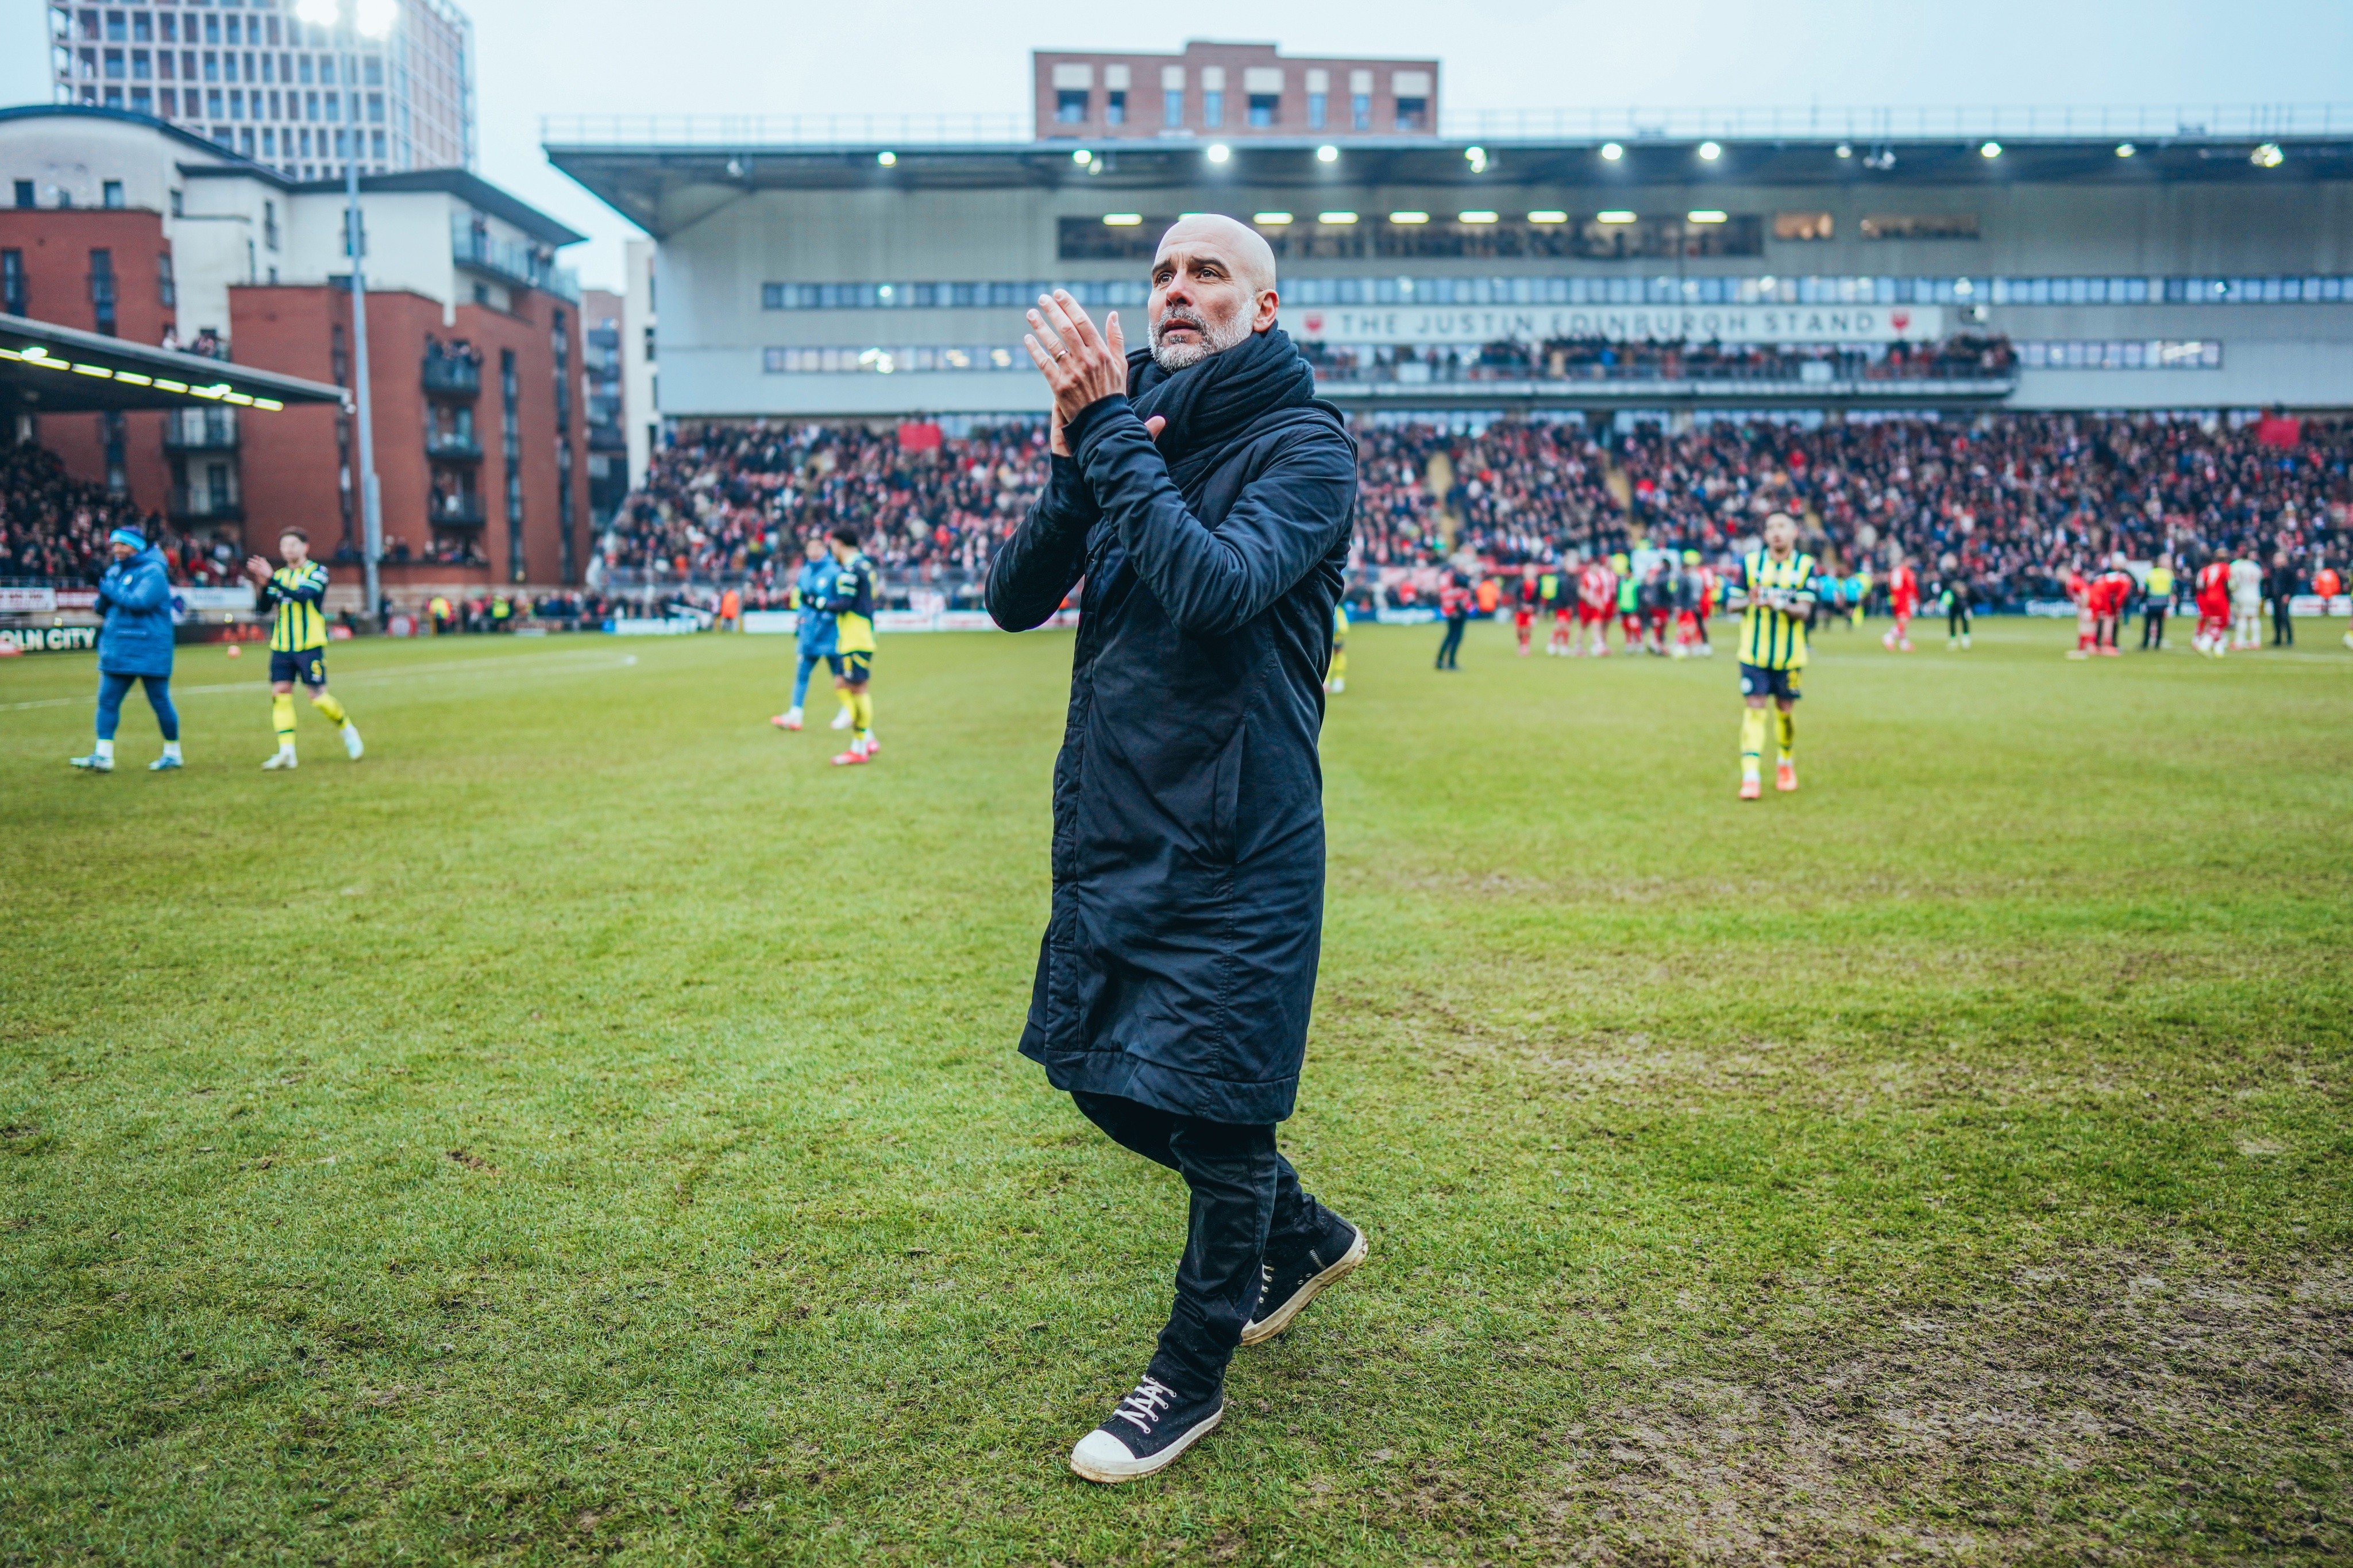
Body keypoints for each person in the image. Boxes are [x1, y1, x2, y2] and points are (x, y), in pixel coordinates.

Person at [989, 218, 1366, 1486]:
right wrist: (1069, 462)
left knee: (1219, 1110)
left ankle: (1188, 1372)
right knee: (1096, 1071)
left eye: (1206, 273)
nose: (1174, 292)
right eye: (1158, 274)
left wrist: (1105, 437)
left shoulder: (1306, 447)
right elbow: (1011, 599)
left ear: (1265, 310)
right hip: (1123, 822)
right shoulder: (1129, 430)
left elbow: (1213, 589)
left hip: (1241, 835)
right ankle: (1301, 1233)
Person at [245, 528, 362, 769]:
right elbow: (264, 608)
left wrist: (273, 579)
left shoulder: (318, 572)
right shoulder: (280, 575)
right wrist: (263, 584)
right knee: (280, 695)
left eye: (293, 545)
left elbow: (303, 596)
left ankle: (347, 729)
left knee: (317, 697)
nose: (288, 550)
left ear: (305, 547)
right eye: (284, 546)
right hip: (282, 645)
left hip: (310, 644)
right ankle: (287, 752)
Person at [70, 526, 182, 773]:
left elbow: (138, 602)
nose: (117, 550)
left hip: (149, 647)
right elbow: (102, 608)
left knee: (160, 701)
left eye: (123, 545)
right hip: (119, 647)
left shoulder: (154, 572)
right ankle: (103, 755)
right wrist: (100, 587)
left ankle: (173, 753)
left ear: (137, 546)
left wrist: (106, 584)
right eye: (114, 545)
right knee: (107, 701)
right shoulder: (115, 571)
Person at [1731, 511, 1815, 800]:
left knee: (1785, 714)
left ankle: (1785, 762)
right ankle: (1751, 775)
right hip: (1753, 654)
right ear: (1765, 535)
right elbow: (1731, 603)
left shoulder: (1805, 566)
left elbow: (1804, 611)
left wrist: (1778, 603)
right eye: (1771, 528)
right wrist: (1749, 600)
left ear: (1794, 532)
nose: (1776, 532)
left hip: (1789, 657)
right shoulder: (1750, 564)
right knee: (1754, 710)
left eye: (1782, 526)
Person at [772, 535, 845, 732]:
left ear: (824, 549)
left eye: (817, 548)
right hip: (809, 635)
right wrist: (800, 625)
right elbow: (802, 601)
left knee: (839, 675)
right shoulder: (804, 572)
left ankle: (849, 710)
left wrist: (824, 621)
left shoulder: (834, 572)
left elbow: (839, 604)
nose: (813, 552)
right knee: (802, 674)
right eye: (810, 548)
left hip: (829, 635)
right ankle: (796, 714)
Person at [821, 526, 880, 764]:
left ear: (837, 544)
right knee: (842, 684)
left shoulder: (850, 569)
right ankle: (866, 737)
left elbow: (844, 604)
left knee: (857, 690)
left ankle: (860, 746)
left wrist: (820, 602)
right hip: (857, 636)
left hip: (856, 637)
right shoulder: (865, 565)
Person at [2093, 553, 2135, 656]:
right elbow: (2120, 597)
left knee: (2109, 620)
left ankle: (2107, 644)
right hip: (2104, 597)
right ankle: (2105, 645)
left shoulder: (2124, 576)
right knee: (2107, 619)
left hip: (2103, 596)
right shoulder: (2125, 580)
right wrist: (2116, 608)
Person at [2193, 550, 2233, 656]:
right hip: (2220, 598)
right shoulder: (2225, 568)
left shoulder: (2206, 570)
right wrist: (2229, 597)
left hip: (2207, 597)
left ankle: (2217, 646)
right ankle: (2205, 643)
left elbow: (2200, 586)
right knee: (2222, 623)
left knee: (2210, 620)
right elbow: (2228, 584)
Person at [1575, 553, 1616, 656]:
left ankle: (1598, 646)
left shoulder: (1598, 577)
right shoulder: (1586, 577)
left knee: (1596, 624)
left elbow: (1600, 591)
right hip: (1586, 605)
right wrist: (1591, 600)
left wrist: (1599, 602)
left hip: (1595, 605)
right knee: (1584, 626)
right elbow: (1582, 591)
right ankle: (1578, 645)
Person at [2227, 544, 2264, 651]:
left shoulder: (2237, 567)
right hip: (2255, 595)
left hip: (2242, 595)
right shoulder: (2255, 567)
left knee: (2242, 618)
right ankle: (2256, 641)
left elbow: (2233, 583)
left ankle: (2239, 642)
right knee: (2254, 617)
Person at [1881, 553, 1919, 651]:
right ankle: (1889, 637)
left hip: (1895, 598)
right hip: (1903, 598)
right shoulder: (1906, 572)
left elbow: (1891, 585)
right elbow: (1912, 587)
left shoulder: (1895, 571)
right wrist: (1916, 598)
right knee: (1905, 620)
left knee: (1901, 621)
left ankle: (1904, 644)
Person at [1938, 557, 1975, 650]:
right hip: (1952, 603)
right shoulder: (1946, 576)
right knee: (1952, 621)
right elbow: (1943, 590)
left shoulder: (1962, 573)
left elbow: (1968, 586)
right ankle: (1953, 640)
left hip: (1962, 602)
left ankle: (1966, 639)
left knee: (1964, 620)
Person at [1434, 573, 1469, 669]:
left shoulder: (1449, 590)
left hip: (1451, 614)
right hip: (1458, 615)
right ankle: (1451, 662)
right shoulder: (1460, 591)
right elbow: (1465, 604)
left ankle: (1440, 660)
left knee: (1449, 637)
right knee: (1456, 638)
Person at [2140, 553, 2173, 650]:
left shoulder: (2150, 573)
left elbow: (2145, 588)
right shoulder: (2169, 574)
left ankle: (2145, 643)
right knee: (2160, 624)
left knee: (2148, 623)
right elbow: (2172, 588)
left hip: (2151, 601)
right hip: (2163, 602)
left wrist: (2143, 600)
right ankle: (2157, 643)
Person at [1542, 559, 1573, 655]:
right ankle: (1555, 645)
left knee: (1564, 626)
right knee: (1562, 625)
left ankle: (1560, 645)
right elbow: (1565, 594)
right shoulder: (1564, 578)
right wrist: (1568, 605)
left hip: (1559, 605)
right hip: (1562, 606)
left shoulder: (1561, 577)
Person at [2267, 550, 2297, 647]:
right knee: (2276, 618)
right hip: (2275, 597)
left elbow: (2293, 584)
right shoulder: (2273, 570)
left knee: (2285, 617)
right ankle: (2278, 639)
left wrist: (2288, 594)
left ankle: (2289, 638)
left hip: (2284, 597)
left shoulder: (2289, 571)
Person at [1512, 564, 1540, 656]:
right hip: (1520, 610)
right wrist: (1522, 606)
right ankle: (1521, 644)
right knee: (1520, 630)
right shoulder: (1520, 583)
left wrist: (1534, 608)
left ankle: (1525, 647)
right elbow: (1516, 597)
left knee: (1527, 629)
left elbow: (1538, 599)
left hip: (1531, 611)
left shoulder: (1537, 584)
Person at [1324, 600, 1349, 693]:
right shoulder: (1337, 608)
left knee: (1330, 658)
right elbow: (1344, 627)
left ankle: (1329, 682)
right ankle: (1337, 681)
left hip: (1333, 637)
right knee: (1336, 657)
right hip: (1336, 636)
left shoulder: (1334, 608)